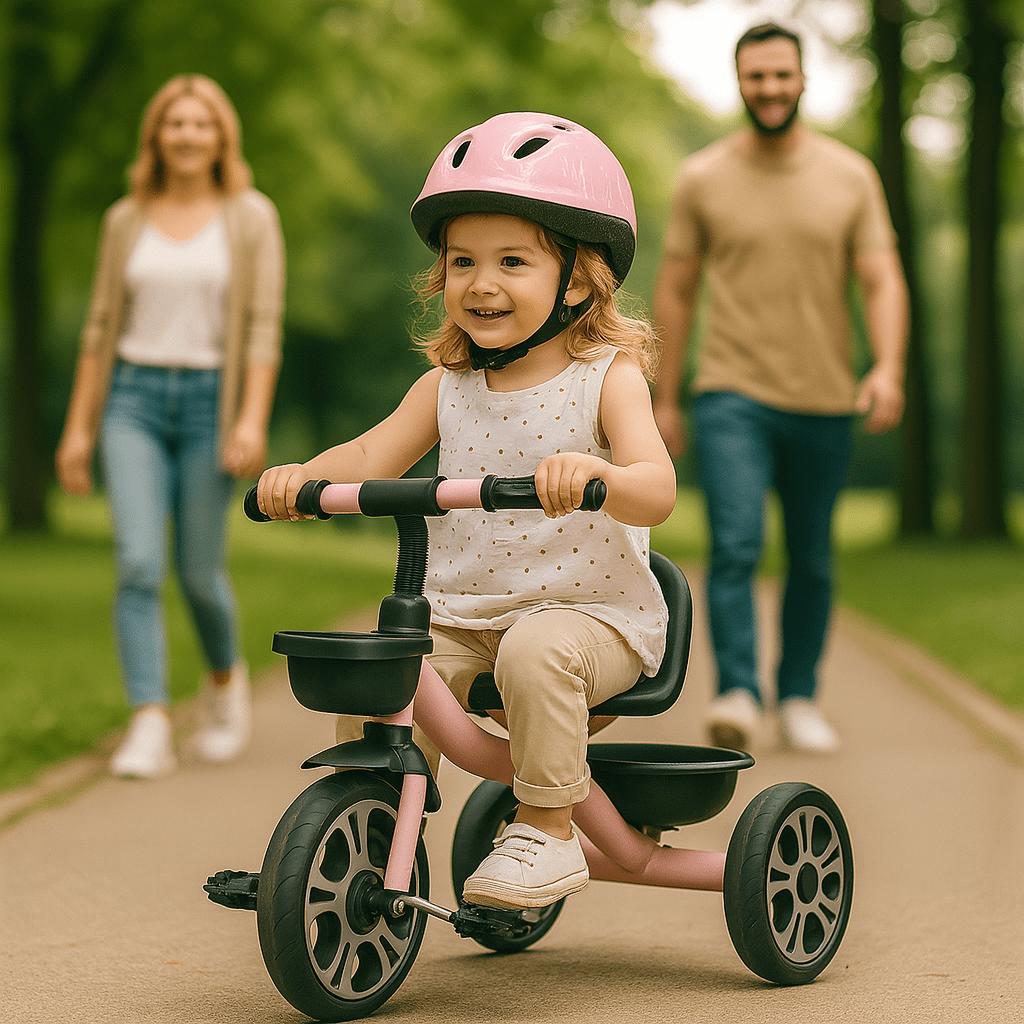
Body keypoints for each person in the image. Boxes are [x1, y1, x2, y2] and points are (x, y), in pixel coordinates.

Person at [257, 112, 676, 910]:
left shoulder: (607, 377)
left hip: (590, 619)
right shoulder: (446, 389)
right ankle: (372, 822)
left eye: (512, 261)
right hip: (461, 613)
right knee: (384, 673)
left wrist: (597, 473)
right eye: (463, 262)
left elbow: (656, 484)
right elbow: (370, 459)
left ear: (579, 280)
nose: (481, 284)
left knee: (534, 650)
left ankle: (549, 828)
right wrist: (303, 479)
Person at [651, 23, 908, 754]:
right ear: (739, 83)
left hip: (826, 398)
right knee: (735, 544)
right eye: (755, 77)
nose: (768, 89)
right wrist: (667, 397)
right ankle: (738, 689)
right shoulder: (702, 177)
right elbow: (676, 289)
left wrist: (886, 367)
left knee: (812, 556)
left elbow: (881, 278)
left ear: (802, 80)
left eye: (780, 75)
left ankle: (798, 696)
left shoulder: (850, 175)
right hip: (732, 391)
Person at [55, 75, 285, 779]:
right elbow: (99, 325)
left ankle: (222, 683)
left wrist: (250, 417)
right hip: (132, 399)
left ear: (222, 137)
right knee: (136, 562)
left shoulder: (250, 215)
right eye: (175, 124)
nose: (188, 135)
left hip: (210, 404)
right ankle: (149, 718)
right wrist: (78, 429)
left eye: (201, 124)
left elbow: (262, 327)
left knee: (198, 573)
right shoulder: (126, 217)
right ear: (156, 135)